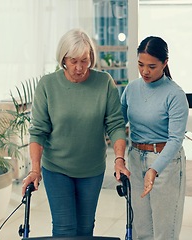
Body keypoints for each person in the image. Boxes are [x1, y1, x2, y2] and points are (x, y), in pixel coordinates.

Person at [21, 28, 127, 237]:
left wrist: (119, 160)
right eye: (73, 61)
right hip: (57, 168)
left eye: (84, 60)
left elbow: (115, 125)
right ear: (63, 59)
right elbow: (38, 131)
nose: (79, 68)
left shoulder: (104, 82)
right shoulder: (48, 85)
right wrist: (35, 169)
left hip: (92, 169)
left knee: (85, 228)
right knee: (64, 229)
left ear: (91, 58)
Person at [116, 36, 189, 239]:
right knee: (141, 227)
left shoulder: (175, 94)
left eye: (152, 66)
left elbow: (176, 139)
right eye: (140, 65)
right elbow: (117, 124)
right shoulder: (131, 89)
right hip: (135, 159)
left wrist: (154, 169)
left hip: (165, 162)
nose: (145, 71)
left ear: (165, 63)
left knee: (165, 229)